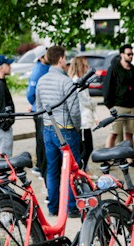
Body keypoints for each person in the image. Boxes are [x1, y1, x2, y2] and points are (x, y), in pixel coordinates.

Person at [35, 46, 81, 218]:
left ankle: (53, 207)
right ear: (61, 59)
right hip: (66, 130)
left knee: (53, 169)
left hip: (48, 129)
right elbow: (74, 111)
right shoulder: (66, 81)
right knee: (70, 170)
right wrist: (77, 128)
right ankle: (71, 207)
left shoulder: (41, 80)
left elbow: (39, 107)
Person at [103, 45, 134, 169]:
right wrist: (110, 105)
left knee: (130, 134)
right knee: (114, 132)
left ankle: (129, 159)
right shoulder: (114, 69)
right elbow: (107, 87)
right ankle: (107, 158)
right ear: (122, 54)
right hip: (118, 106)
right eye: (128, 54)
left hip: (131, 106)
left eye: (132, 54)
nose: (130, 56)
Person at [68, 56, 99, 173]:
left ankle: (83, 169)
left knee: (84, 147)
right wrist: (94, 106)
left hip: (85, 119)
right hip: (82, 120)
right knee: (87, 148)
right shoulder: (77, 82)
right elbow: (86, 100)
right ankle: (79, 170)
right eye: (85, 65)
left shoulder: (80, 81)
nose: (87, 68)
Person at [26, 45, 50, 180]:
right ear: (41, 57)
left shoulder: (46, 68)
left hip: (43, 110)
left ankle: (42, 166)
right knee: (42, 139)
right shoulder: (38, 71)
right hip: (40, 111)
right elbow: (30, 94)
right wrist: (35, 104)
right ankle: (40, 167)